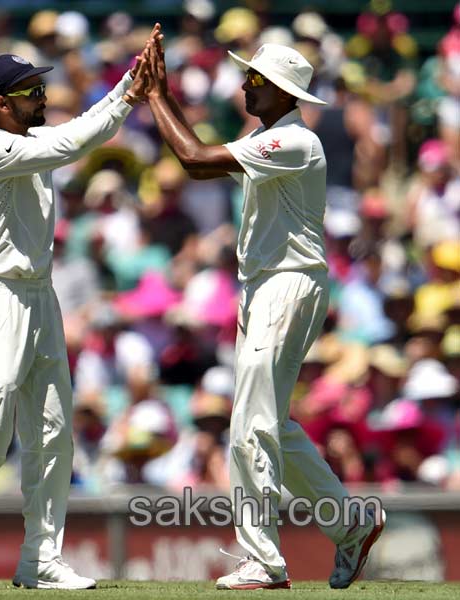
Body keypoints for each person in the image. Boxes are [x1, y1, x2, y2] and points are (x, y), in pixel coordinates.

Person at [0, 33, 154, 590]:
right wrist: (127, 94)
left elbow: (66, 137)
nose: (42, 97)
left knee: (53, 431)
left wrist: (125, 88)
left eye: (41, 87)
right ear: (0, 103)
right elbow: (70, 145)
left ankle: (40, 556)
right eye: (30, 91)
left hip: (40, 297)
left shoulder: (31, 139)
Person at [139, 24, 385, 591]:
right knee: (269, 423)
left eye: (257, 79)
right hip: (268, 289)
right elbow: (201, 155)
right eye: (248, 76)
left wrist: (156, 95)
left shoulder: (294, 140)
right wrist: (163, 91)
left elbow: (195, 159)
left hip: (288, 284)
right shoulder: (271, 139)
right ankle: (350, 525)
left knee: (250, 423)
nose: (246, 86)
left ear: (286, 93)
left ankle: (264, 560)